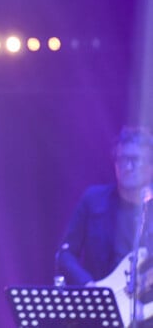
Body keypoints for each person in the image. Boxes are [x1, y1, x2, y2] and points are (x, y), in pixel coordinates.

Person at [55, 126, 153, 326]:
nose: (127, 166)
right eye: (122, 159)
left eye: (135, 160)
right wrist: (88, 285)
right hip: (100, 312)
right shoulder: (94, 200)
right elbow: (65, 255)